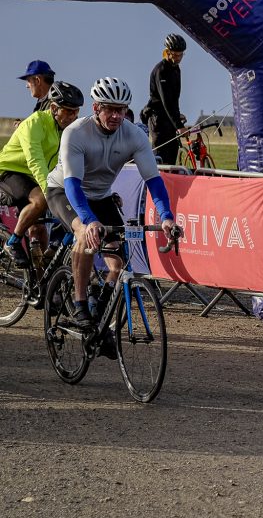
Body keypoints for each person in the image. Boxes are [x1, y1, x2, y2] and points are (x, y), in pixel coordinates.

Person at [45, 77, 177, 329]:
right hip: (64, 191)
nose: (117, 116)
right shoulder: (76, 133)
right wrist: (88, 220)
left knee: (117, 264)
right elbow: (72, 185)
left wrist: (166, 216)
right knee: (84, 234)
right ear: (96, 108)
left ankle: (100, 313)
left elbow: (153, 180)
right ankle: (80, 304)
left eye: (122, 110)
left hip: (101, 195)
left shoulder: (134, 135)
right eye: (110, 109)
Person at [0, 81, 84, 267]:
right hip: (10, 170)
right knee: (41, 199)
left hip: (34, 178)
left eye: (76, 112)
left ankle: (42, 281)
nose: (73, 116)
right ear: (53, 108)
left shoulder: (68, 130)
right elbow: (35, 161)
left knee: (39, 230)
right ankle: (12, 241)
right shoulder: (35, 123)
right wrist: (50, 192)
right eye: (68, 111)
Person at [143, 33, 188, 165]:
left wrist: (177, 116)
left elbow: (175, 99)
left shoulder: (176, 69)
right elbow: (166, 100)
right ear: (167, 52)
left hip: (169, 119)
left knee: (172, 156)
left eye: (181, 55)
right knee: (160, 158)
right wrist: (179, 126)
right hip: (158, 120)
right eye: (175, 55)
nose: (178, 58)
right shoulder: (161, 70)